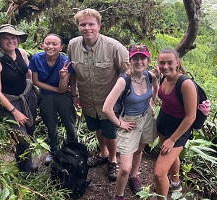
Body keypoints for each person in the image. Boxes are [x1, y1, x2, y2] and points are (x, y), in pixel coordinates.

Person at [67, 8, 129, 181]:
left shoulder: (114, 46)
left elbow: (128, 74)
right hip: (87, 99)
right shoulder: (73, 45)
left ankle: (112, 160)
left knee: (110, 132)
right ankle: (103, 152)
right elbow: (72, 72)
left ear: (99, 26)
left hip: (108, 101)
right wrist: (74, 94)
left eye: (91, 24)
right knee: (96, 128)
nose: (87, 28)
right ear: (78, 27)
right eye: (83, 24)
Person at [103, 44, 158, 199]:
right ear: (130, 60)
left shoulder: (149, 76)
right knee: (124, 168)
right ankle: (119, 195)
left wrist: (151, 104)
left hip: (146, 119)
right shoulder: (124, 80)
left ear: (148, 60)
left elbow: (155, 88)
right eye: (135, 58)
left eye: (142, 58)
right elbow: (106, 108)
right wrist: (120, 124)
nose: (139, 62)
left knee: (139, 150)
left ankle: (134, 177)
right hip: (129, 122)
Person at [0, 24, 37, 173]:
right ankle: (24, 170)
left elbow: (28, 74)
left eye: (13, 38)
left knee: (30, 131)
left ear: (18, 39)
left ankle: (26, 164)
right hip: (10, 103)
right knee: (21, 137)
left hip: (27, 98)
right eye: (6, 38)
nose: (10, 41)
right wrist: (14, 111)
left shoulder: (21, 52)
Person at [154, 48, 197, 199]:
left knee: (159, 174)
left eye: (169, 62)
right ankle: (175, 182)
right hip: (163, 121)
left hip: (179, 128)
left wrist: (172, 139)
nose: (165, 66)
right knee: (171, 156)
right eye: (162, 63)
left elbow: (191, 117)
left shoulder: (185, 84)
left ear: (177, 63)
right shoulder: (162, 77)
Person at [29, 33, 77, 165]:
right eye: (47, 43)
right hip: (46, 96)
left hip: (64, 98)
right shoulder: (36, 59)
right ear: (42, 45)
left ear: (61, 47)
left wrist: (62, 78)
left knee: (70, 124)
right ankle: (53, 150)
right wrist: (56, 89)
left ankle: (73, 149)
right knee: (51, 126)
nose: (50, 46)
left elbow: (63, 89)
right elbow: (36, 81)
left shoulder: (66, 62)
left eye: (54, 44)